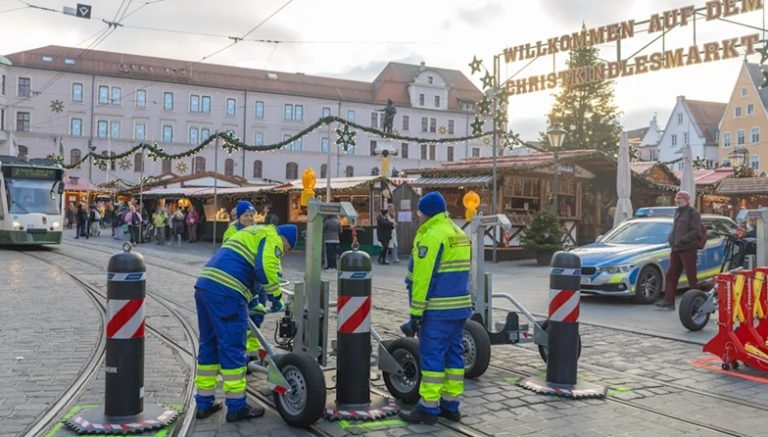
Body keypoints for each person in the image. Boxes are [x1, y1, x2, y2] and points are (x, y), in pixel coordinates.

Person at [193, 223, 298, 422]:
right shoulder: (272, 236)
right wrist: (275, 296)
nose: (283, 253)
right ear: (285, 240)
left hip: (205, 286)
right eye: (286, 249)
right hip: (227, 292)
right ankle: (237, 407)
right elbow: (265, 266)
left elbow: (246, 267)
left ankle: (203, 404)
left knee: (209, 345)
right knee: (233, 348)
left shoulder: (253, 232)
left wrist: (254, 302)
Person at [399, 192, 471, 425]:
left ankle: (428, 409)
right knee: (454, 357)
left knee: (432, 358)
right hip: (458, 310)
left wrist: (416, 314)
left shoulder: (431, 236)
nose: (418, 216)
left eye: (420, 212)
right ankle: (451, 405)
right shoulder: (458, 233)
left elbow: (423, 279)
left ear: (425, 212)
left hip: (437, 312)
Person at [656, 190, 701, 310]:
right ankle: (669, 301)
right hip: (676, 248)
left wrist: (683, 240)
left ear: (686, 200)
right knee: (671, 274)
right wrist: (671, 238)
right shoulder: (677, 212)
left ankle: (697, 301)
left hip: (687, 248)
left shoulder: (693, 213)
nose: (677, 200)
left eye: (679, 198)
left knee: (691, 275)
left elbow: (696, 230)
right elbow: (676, 228)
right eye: (676, 198)